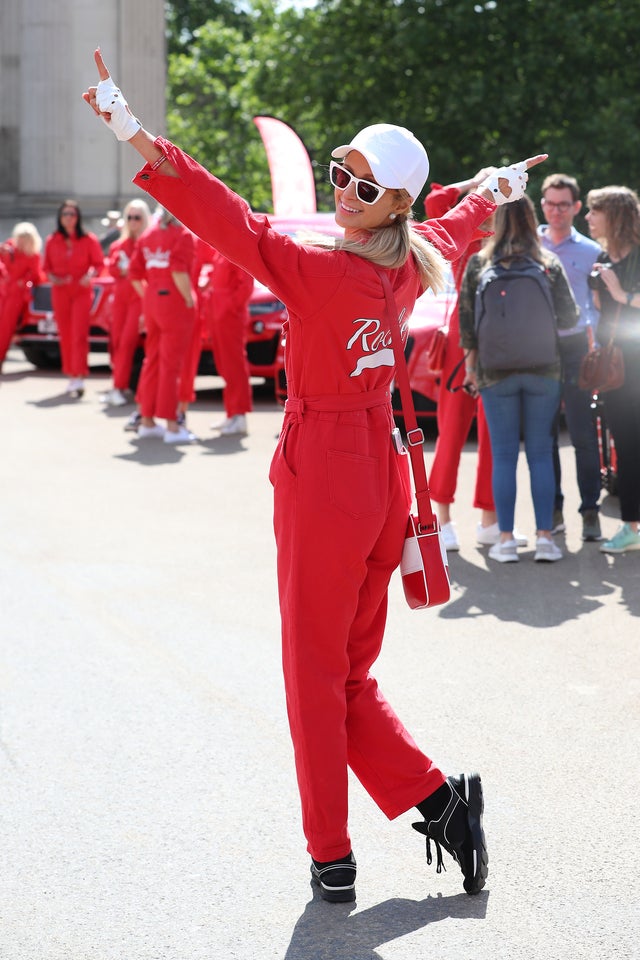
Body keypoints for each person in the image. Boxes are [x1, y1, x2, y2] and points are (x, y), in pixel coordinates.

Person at [84, 48, 545, 901]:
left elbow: (227, 217)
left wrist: (132, 131)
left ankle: (332, 855)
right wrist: (500, 185)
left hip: (327, 471)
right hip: (375, 474)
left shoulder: (323, 271)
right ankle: (439, 805)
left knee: (312, 679)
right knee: (346, 677)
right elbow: (456, 220)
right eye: (339, 171)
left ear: (394, 202)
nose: (342, 190)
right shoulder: (412, 259)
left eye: (363, 187)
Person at [459, 196, 579, 563]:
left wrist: (470, 370)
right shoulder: (547, 262)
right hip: (544, 369)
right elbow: (569, 316)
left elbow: (466, 325)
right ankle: (545, 538)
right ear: (531, 219)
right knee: (541, 454)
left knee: (504, 456)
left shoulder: (480, 263)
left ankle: (507, 540)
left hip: (495, 372)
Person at [424, 170, 527, 552]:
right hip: (461, 340)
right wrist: (473, 183)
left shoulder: (512, 242)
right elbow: (435, 204)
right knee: (451, 429)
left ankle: (489, 519)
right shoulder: (464, 236)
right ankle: (442, 517)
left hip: (501, 344)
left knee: (494, 434)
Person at [538, 173, 603, 541]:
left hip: (578, 346)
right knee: (544, 436)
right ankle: (553, 509)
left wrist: (593, 331)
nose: (556, 211)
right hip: (540, 350)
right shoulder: (532, 244)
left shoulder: (591, 251)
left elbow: (597, 303)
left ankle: (590, 510)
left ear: (577, 207)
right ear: (542, 204)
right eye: (550, 203)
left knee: (582, 434)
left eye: (564, 204)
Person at [584, 186, 640, 554]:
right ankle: (632, 525)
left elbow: (620, 302)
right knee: (627, 445)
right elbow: (600, 309)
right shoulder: (605, 255)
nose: (587, 217)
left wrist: (622, 295)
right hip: (617, 365)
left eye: (594, 211)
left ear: (614, 216)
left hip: (635, 361)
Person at [128, 205, 198, 443]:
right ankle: (172, 427)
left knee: (152, 361)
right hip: (174, 303)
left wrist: (150, 296)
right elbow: (179, 271)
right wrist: (189, 298)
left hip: (152, 302)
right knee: (172, 366)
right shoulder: (183, 235)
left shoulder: (148, 234)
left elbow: (134, 273)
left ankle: (147, 421)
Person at [43, 199, 105, 397]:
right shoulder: (52, 240)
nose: (69, 218)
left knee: (79, 333)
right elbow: (46, 268)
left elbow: (98, 264)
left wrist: (91, 275)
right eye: (65, 214)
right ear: (60, 218)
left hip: (81, 290)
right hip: (60, 291)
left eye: (72, 214)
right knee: (65, 333)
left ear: (78, 218)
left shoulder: (88, 239)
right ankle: (71, 375)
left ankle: (79, 376)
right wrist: (52, 277)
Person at [101, 198, 151, 406]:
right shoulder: (119, 244)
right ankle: (118, 385)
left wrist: (127, 269)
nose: (133, 221)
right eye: (129, 217)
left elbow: (147, 273)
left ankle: (119, 386)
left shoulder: (148, 243)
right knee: (116, 343)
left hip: (139, 299)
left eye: (137, 217)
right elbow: (113, 269)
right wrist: (126, 269)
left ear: (144, 219)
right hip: (121, 300)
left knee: (126, 344)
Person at [203, 244, 254, 437]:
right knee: (225, 365)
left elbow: (245, 286)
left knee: (234, 364)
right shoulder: (222, 250)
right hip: (219, 314)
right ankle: (232, 412)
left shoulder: (238, 250)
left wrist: (230, 308)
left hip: (229, 317)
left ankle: (239, 415)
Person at [0, 222, 45, 372]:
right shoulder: (9, 248)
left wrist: (24, 282)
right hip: (3, 289)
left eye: (24, 238)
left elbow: (37, 276)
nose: (20, 241)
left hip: (15, 295)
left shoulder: (32, 255)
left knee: (5, 329)